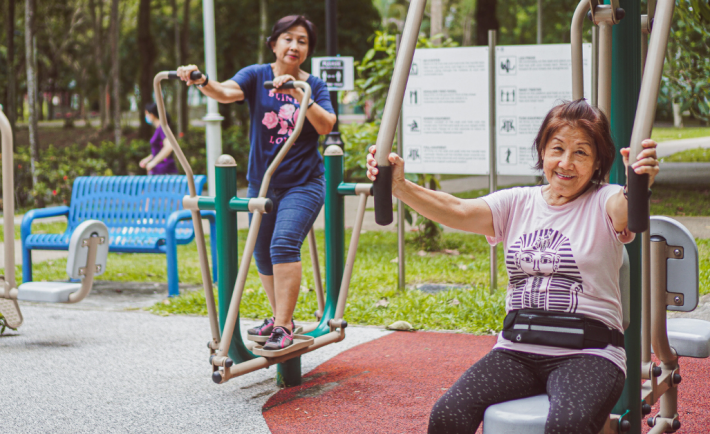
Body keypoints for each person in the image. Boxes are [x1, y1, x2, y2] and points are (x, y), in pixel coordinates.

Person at [366, 100, 660, 434]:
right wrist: (399, 186)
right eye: (557, 149)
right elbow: (458, 209)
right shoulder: (518, 202)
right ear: (542, 152)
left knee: (568, 425)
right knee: (448, 415)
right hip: (517, 350)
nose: (566, 162)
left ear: (597, 163)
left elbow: (624, 210)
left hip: (589, 353)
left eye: (580, 153)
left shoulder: (605, 200)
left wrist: (639, 182)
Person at [176, 15, 336, 351]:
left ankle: (282, 326)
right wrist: (202, 80)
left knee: (283, 245)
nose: (294, 46)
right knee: (262, 253)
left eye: (302, 41)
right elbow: (225, 92)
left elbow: (326, 125)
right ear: (274, 43)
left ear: (308, 50)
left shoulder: (313, 85)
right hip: (262, 184)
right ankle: (283, 319)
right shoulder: (256, 75)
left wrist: (296, 92)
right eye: (288, 38)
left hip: (304, 183)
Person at [140, 102, 178, 175]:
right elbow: (158, 150)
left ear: (152, 115)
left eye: (146, 114)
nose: (146, 116)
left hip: (165, 171)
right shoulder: (159, 129)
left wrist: (154, 162)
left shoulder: (163, 128)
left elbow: (169, 147)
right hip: (158, 172)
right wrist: (148, 159)